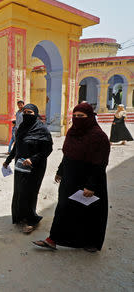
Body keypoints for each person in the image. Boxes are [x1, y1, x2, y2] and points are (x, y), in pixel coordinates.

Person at [33, 102, 110, 252]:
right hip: (70, 178)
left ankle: (90, 242)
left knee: (88, 213)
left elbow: (100, 164)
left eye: (81, 116)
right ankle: (53, 239)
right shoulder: (72, 132)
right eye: (74, 116)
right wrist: (60, 170)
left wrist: (91, 185)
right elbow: (67, 154)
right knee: (63, 208)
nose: (77, 118)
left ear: (90, 117)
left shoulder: (98, 137)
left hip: (88, 181)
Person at [3, 104, 53, 234]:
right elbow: (16, 147)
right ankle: (20, 216)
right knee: (19, 191)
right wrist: (8, 160)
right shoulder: (21, 128)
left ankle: (32, 220)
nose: (26, 114)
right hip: (20, 165)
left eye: (29, 112)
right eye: (24, 112)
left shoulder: (42, 129)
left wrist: (33, 159)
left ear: (35, 114)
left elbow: (47, 149)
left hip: (35, 167)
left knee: (30, 193)